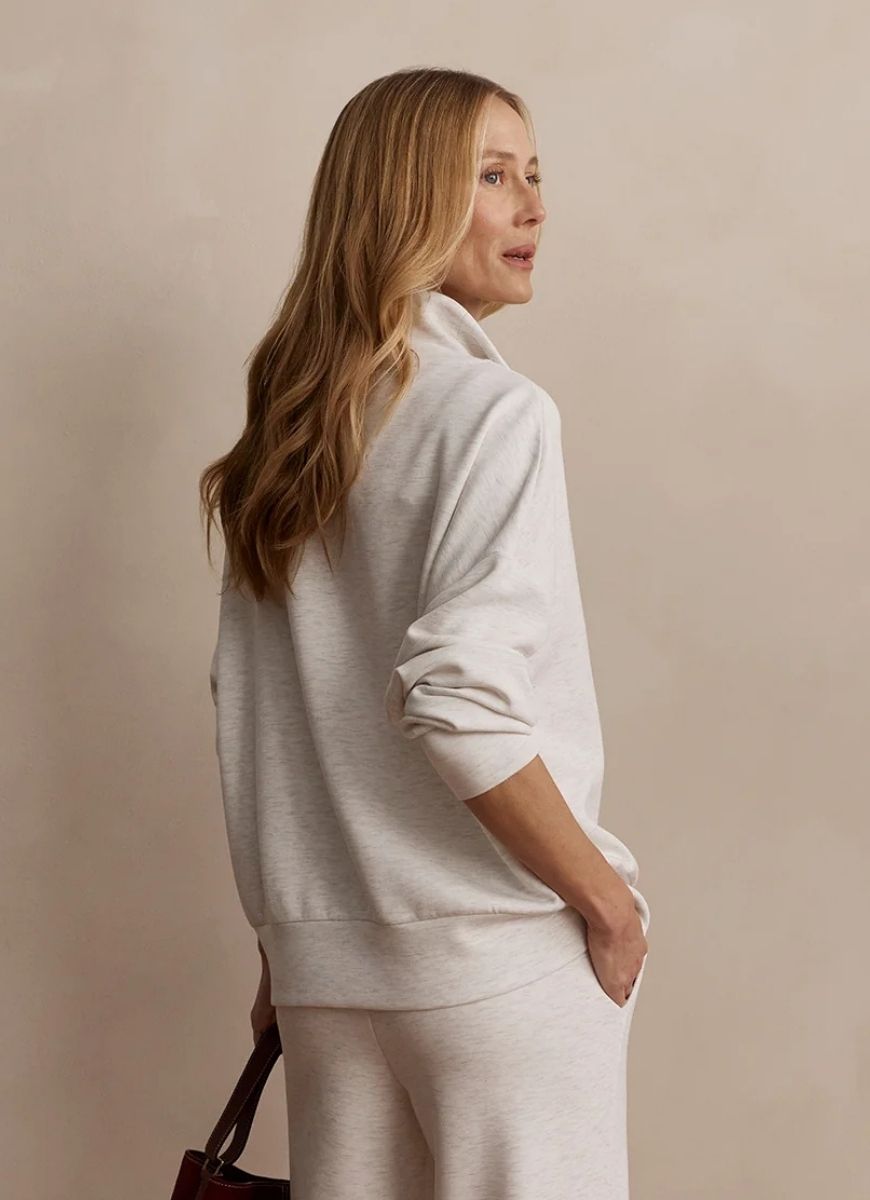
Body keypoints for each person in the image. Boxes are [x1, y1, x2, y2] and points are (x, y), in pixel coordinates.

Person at [200, 66, 651, 1200]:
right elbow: (456, 697)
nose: (534, 207)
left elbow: (266, 718)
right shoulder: (495, 413)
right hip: (493, 959)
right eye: (493, 177)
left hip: (326, 977)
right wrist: (605, 902)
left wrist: (290, 940)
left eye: (533, 174)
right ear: (404, 202)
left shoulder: (288, 439)